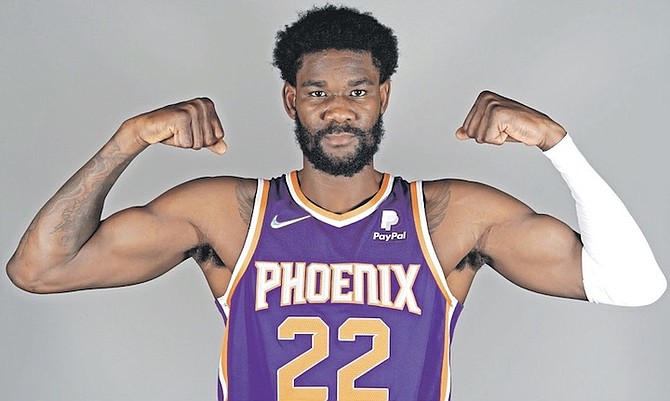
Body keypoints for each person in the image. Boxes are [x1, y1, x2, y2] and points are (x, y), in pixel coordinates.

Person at [5, 5, 666, 401]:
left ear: (383, 96)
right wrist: (127, 141)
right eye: (318, 93)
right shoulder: (228, 215)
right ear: (292, 101)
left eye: (357, 91)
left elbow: (635, 286)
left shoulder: (449, 218)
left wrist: (559, 145)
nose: (339, 110)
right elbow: (39, 270)